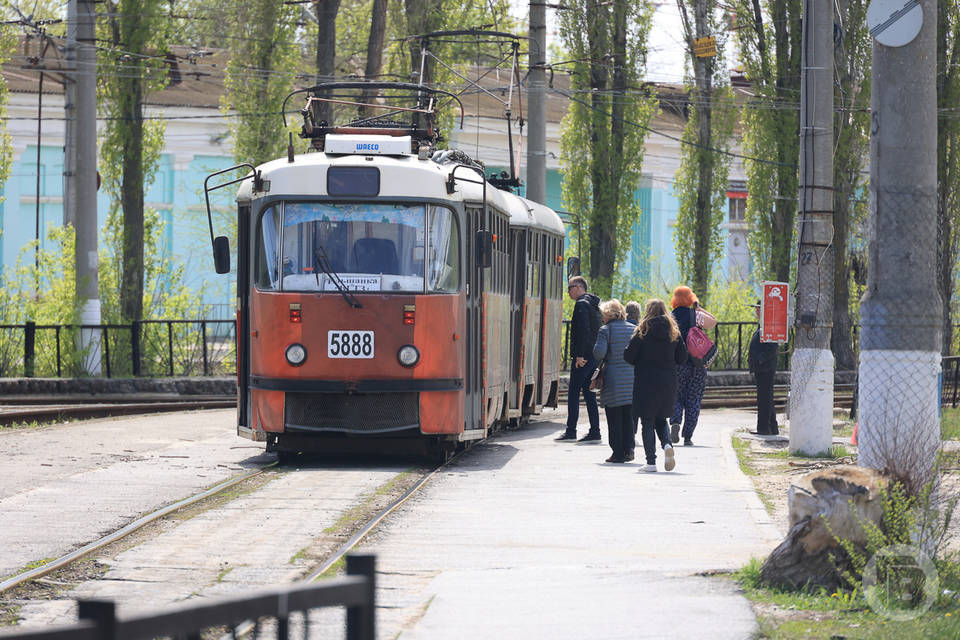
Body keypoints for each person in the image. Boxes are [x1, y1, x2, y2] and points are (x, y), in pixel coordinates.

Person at [623, 299, 687, 472]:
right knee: (660, 418)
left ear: (648, 311)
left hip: (646, 382)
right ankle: (667, 445)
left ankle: (651, 462)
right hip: (668, 382)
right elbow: (682, 358)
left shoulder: (643, 330)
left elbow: (628, 356)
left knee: (647, 421)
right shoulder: (674, 332)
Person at [555, 276, 602, 443]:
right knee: (589, 394)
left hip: (583, 358)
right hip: (594, 356)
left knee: (574, 392)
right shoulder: (595, 305)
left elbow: (583, 331)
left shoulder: (581, 305)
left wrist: (580, 355)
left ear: (579, 287)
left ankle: (571, 430)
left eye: (569, 288)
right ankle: (595, 431)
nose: (568, 292)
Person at [669, 285, 716, 446]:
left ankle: (675, 421)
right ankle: (688, 436)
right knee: (693, 399)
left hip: (676, 364)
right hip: (697, 364)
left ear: (674, 300)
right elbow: (713, 322)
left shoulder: (670, 317)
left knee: (675, 395)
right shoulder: (695, 315)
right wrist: (698, 307)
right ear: (690, 298)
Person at [593, 299, 637, 462]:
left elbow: (599, 353)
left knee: (614, 417)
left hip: (613, 381)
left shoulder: (605, 330)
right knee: (628, 416)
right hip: (632, 379)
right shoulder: (634, 329)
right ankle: (629, 449)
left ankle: (617, 453)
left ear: (608, 314)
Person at [748, 300, 780, 435]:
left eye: (759, 308)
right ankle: (772, 427)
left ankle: (763, 428)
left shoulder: (769, 325)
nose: (756, 311)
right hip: (763, 367)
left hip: (765, 368)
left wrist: (760, 359)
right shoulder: (764, 324)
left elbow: (773, 346)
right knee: (767, 397)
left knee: (764, 399)